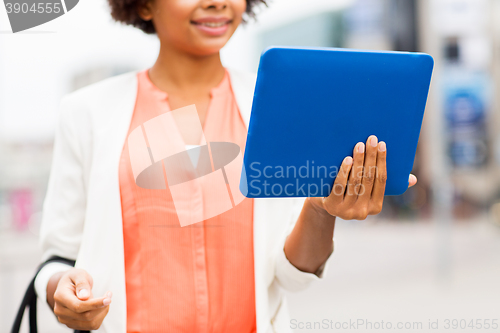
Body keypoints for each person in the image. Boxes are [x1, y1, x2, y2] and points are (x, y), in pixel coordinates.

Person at [34, 0, 418, 331]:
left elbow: (291, 276)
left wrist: (319, 209)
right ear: (144, 4)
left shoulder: (276, 107)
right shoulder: (87, 113)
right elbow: (56, 259)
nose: (217, 2)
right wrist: (61, 288)